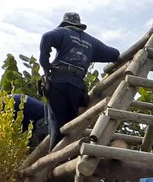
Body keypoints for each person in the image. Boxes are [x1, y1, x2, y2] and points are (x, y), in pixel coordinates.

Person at [39, 12, 120, 148]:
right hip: (76, 86)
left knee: (56, 126)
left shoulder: (63, 32)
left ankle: (53, 163)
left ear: (65, 23)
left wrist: (46, 67)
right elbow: (114, 54)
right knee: (69, 126)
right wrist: (89, 53)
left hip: (59, 81)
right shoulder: (91, 41)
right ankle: (62, 158)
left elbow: (46, 36)